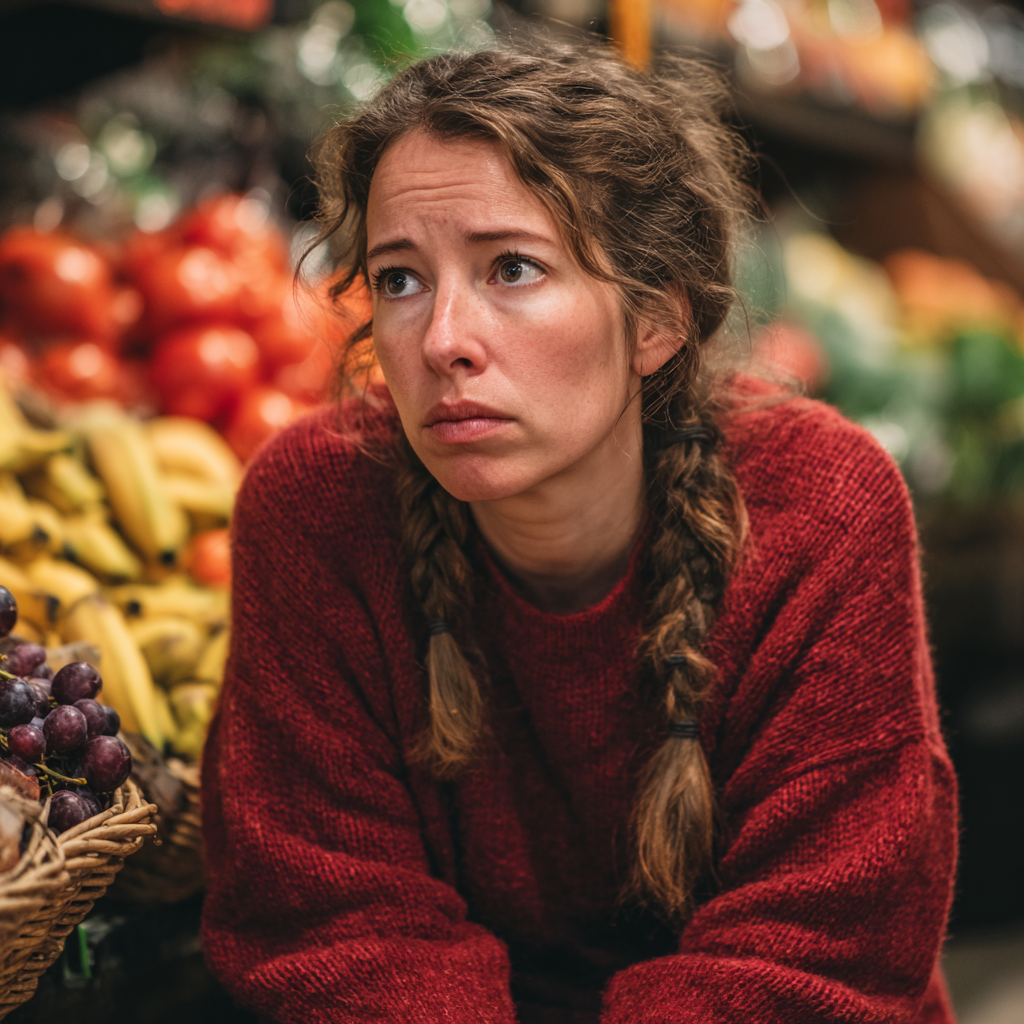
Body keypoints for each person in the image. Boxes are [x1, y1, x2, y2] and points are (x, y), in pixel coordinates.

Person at [200, 41, 958, 1024]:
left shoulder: (819, 506)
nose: (441, 340)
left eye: (512, 268)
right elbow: (330, 919)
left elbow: (816, 948)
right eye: (398, 280)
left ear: (655, 321)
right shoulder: (313, 506)